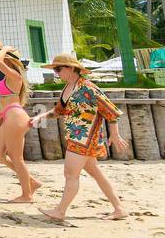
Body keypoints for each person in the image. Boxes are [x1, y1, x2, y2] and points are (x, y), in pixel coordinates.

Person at [34, 54, 130, 222]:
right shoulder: (68, 87)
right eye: (55, 69)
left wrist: (114, 134)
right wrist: (40, 117)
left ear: (71, 68)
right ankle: (119, 208)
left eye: (59, 69)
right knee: (96, 173)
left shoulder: (87, 87)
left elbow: (111, 111)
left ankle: (60, 211)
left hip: (85, 137)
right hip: (77, 136)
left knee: (70, 173)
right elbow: (59, 111)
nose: (57, 73)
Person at [0, 46, 40, 203]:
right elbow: (2, 104)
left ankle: (27, 195)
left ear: (8, 60)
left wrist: (5, 49)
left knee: (17, 158)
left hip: (15, 118)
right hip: (9, 116)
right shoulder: (7, 78)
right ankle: (32, 182)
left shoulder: (15, 75)